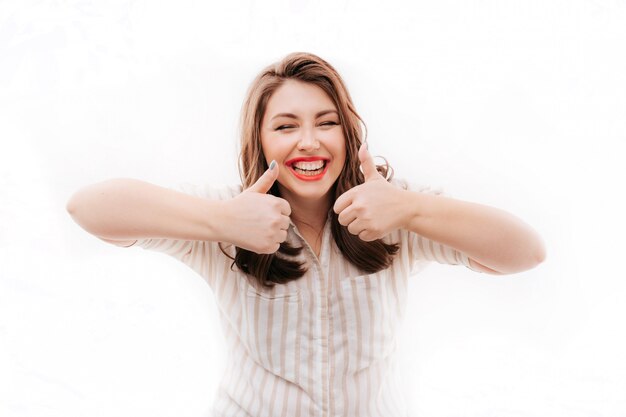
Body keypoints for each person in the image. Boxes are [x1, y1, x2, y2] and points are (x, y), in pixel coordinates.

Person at [66, 52, 546, 417]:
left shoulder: (393, 210)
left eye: (327, 123)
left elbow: (526, 251)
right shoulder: (227, 215)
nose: (309, 142)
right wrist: (220, 222)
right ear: (261, 140)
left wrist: (414, 209)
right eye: (286, 126)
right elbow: (88, 208)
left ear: (348, 134)